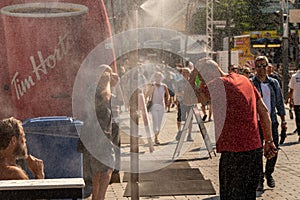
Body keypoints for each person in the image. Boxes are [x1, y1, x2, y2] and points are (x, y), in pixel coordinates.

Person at [197, 58, 277, 199]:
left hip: (234, 154)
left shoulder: (218, 84)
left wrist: (194, 77)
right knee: (248, 195)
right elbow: (264, 111)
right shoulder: (245, 80)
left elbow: (190, 97)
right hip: (254, 152)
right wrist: (269, 141)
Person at [80, 64, 119, 200]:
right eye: (108, 73)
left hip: (95, 140)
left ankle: (97, 198)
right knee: (107, 170)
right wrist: (108, 81)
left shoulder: (94, 89)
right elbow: (105, 98)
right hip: (100, 140)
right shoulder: (100, 91)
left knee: (98, 175)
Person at [250, 55, 286, 190]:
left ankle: (269, 173)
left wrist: (283, 120)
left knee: (273, 149)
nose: (261, 69)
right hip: (256, 123)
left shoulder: (273, 83)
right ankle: (259, 178)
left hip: (272, 122)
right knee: (257, 152)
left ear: (268, 66)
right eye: (258, 66)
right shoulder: (251, 83)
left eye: (263, 65)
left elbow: (279, 102)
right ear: (254, 68)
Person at [146, 71, 170, 144]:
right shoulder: (153, 86)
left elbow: (167, 95)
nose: (158, 78)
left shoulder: (164, 86)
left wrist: (168, 101)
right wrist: (144, 101)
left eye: (159, 77)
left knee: (159, 122)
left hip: (161, 106)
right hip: (154, 106)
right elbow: (147, 94)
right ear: (154, 78)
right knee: (155, 121)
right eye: (156, 77)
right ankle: (155, 137)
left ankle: (156, 137)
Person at [174, 67, 196, 142]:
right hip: (182, 102)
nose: (185, 74)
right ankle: (179, 131)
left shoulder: (192, 83)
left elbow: (195, 92)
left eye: (186, 72)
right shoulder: (178, 82)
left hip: (190, 103)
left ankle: (189, 135)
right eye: (183, 73)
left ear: (189, 74)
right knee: (180, 118)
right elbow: (176, 92)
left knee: (190, 119)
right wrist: (182, 94)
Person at [286, 69, 300, 143]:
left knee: (298, 118)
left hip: (297, 101)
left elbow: (291, 90)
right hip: (296, 101)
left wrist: (289, 100)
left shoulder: (294, 77)